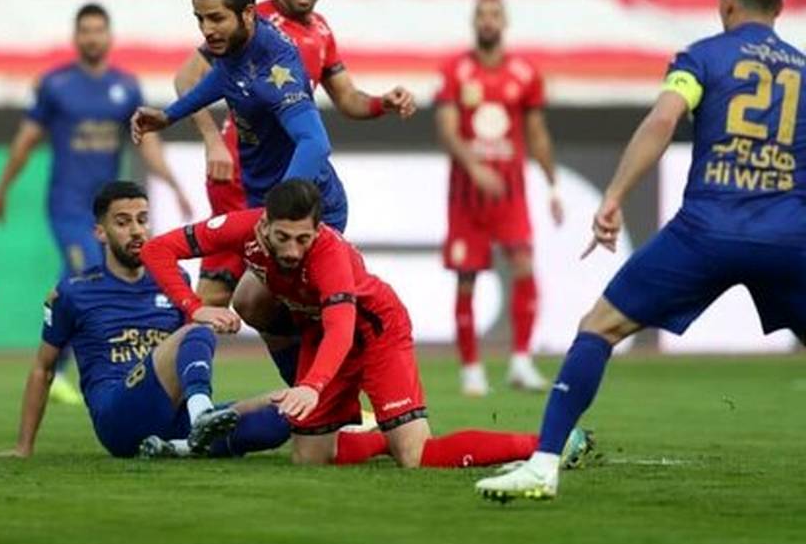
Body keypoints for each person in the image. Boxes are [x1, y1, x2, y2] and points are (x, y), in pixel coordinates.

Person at [477, 0, 805, 502]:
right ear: (778, 5)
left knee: (599, 327)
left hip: (705, 231)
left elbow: (662, 119)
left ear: (725, 1)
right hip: (788, 237)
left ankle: (544, 464)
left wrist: (614, 196)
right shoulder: (802, 69)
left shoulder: (702, 58)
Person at [141, 179, 592, 470]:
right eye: (284, 238)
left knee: (416, 456)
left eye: (303, 238)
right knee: (309, 458)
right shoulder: (241, 229)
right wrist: (193, 306)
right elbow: (156, 249)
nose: (294, 250)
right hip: (321, 332)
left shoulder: (330, 255)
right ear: (263, 226)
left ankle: (549, 443)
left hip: (375, 330)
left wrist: (312, 385)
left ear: (318, 229)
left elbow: (342, 328)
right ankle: (380, 437)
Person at [134, 0, 411, 387]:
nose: (207, 30)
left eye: (216, 18)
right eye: (200, 19)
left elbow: (315, 144)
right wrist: (169, 116)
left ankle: (357, 382)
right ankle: (312, 398)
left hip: (303, 211)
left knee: (279, 305)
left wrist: (280, 214)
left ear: (247, 14)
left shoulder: (277, 70)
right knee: (257, 306)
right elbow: (221, 81)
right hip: (265, 207)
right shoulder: (237, 50)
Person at [173, 0, 415, 305]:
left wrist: (383, 102)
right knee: (221, 290)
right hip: (240, 174)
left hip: (289, 176)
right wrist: (212, 141)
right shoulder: (249, 21)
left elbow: (347, 98)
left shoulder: (321, 31)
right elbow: (186, 78)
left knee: (278, 296)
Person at [0, 181, 288, 460]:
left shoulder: (174, 280)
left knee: (281, 413)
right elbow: (43, 369)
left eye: (143, 220)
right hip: (117, 417)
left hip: (170, 415)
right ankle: (201, 416)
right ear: (100, 232)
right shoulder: (73, 292)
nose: (136, 231)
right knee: (199, 330)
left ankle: (178, 447)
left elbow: (182, 354)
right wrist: (23, 447)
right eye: (123, 222)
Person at [0, 3, 193, 406]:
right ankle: (61, 370)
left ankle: (100, 363)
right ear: (76, 36)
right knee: (85, 269)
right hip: (67, 204)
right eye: (86, 30)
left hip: (110, 211)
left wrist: (174, 185)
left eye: (99, 30)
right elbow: (27, 139)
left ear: (109, 37)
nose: (92, 37)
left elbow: (147, 142)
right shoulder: (55, 85)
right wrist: (2, 187)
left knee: (89, 277)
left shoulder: (126, 87)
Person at [435, 0, 563, 396]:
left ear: (504, 22)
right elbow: (447, 130)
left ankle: (521, 361)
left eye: (495, 14)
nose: (488, 21)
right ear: (474, 22)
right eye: (482, 14)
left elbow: (537, 134)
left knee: (524, 265)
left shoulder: (525, 73)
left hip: (510, 194)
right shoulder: (455, 70)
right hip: (466, 198)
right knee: (466, 279)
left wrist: (553, 184)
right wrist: (474, 166)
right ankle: (471, 369)